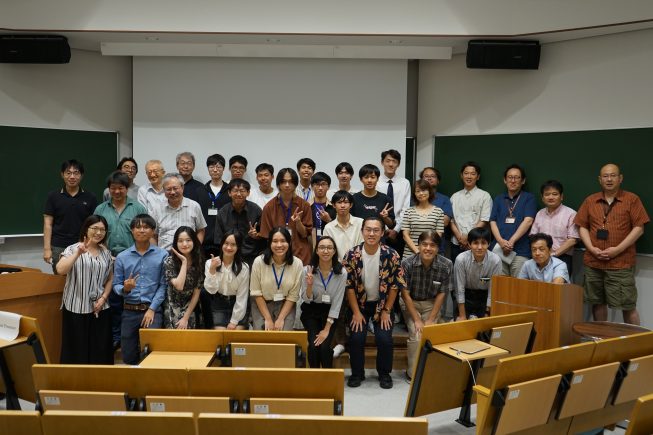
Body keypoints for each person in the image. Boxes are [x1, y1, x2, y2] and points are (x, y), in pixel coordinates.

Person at [575, 163, 649, 325]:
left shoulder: (632, 199)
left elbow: (639, 228)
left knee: (627, 306)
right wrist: (591, 248)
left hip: (620, 263)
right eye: (605, 176)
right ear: (600, 179)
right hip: (593, 262)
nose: (609, 179)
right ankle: (603, 337)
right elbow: (582, 226)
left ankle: (635, 339)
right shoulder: (590, 200)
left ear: (620, 178)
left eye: (613, 175)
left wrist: (617, 250)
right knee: (597, 302)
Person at [344, 216, 406, 389]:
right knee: (356, 338)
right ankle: (357, 373)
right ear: (362, 231)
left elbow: (395, 285)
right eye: (368, 229)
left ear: (382, 233)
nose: (371, 233)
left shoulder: (391, 254)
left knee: (384, 339)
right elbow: (349, 286)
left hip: (383, 304)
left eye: (376, 230)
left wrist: (387, 310)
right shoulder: (352, 255)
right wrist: (356, 313)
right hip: (359, 305)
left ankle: (384, 374)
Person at [94, 171, 147, 350]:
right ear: (108, 189)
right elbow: (94, 234)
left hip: (132, 260)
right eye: (113, 188)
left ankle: (133, 338)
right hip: (106, 260)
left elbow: (145, 233)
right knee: (112, 300)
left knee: (132, 298)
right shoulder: (101, 209)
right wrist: (105, 253)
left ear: (127, 188)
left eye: (121, 188)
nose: (117, 191)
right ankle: (115, 337)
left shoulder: (137, 208)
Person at [56, 215, 113, 364]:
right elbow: (60, 270)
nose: (99, 233)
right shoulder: (73, 248)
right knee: (76, 350)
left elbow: (110, 279)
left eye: (102, 230)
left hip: (99, 308)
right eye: (95, 228)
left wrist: (103, 298)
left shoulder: (106, 253)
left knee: (99, 350)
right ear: (86, 229)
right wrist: (77, 254)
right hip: (76, 307)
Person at [112, 214, 168, 365]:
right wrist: (125, 288)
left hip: (152, 311)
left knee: (151, 355)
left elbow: (163, 285)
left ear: (153, 231)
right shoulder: (122, 257)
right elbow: (116, 285)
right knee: (128, 355)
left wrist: (152, 309)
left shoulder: (162, 255)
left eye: (146, 227)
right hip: (129, 310)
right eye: (138, 227)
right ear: (132, 231)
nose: (142, 230)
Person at [400, 230, 452, 379]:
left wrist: (430, 319)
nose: (428, 248)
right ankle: (413, 375)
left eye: (432, 245)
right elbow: (405, 294)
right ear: (419, 245)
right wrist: (417, 320)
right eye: (424, 244)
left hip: (431, 303)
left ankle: (430, 372)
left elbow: (442, 294)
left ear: (438, 248)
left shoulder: (446, 265)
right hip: (411, 303)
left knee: (430, 332)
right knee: (417, 335)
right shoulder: (407, 263)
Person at [323, 190, 364, 358]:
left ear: (351, 205)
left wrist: (352, 268)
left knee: (357, 309)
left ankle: (355, 342)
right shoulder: (329, 227)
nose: (342, 205)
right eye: (339, 202)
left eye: (346, 202)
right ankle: (340, 342)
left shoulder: (361, 223)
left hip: (360, 272)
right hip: (337, 273)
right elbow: (327, 251)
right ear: (333, 205)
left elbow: (363, 248)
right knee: (337, 309)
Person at [44, 159, 98, 274]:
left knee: (81, 277)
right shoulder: (53, 196)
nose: (72, 176)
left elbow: (94, 225)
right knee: (60, 278)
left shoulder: (90, 197)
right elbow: (48, 224)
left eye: (76, 173)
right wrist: (47, 249)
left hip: (82, 245)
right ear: (62, 175)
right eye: (68, 173)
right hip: (58, 246)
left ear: (81, 175)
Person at [300, 236, 346, 368]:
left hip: (330, 313)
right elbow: (306, 299)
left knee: (325, 347)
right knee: (314, 346)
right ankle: (314, 376)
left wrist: (326, 330)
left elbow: (337, 302)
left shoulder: (341, 272)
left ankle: (327, 377)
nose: (325, 251)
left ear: (334, 251)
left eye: (329, 248)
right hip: (311, 311)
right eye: (322, 247)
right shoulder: (307, 270)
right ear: (316, 251)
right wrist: (309, 285)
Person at [249, 227, 303, 331]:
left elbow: (293, 295)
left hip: (285, 305)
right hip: (263, 305)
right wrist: (268, 319)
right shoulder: (259, 262)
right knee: (262, 335)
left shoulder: (297, 264)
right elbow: (256, 292)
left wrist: (281, 319)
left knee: (284, 336)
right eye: (275, 241)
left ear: (289, 243)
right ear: (269, 243)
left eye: (283, 241)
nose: (279, 245)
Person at [489, 164, 537, 277]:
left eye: (517, 177)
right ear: (505, 180)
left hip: (520, 251)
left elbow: (528, 221)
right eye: (510, 177)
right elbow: (492, 221)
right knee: (499, 284)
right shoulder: (498, 199)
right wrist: (501, 241)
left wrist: (511, 241)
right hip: (498, 250)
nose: (513, 180)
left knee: (519, 285)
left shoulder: (529, 198)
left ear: (523, 181)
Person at [260, 168, 313, 265]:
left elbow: (305, 234)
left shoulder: (304, 205)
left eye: (290, 182)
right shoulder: (269, 207)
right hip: (277, 258)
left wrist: (298, 222)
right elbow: (267, 237)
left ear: (295, 184)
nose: (287, 185)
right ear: (278, 184)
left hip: (301, 257)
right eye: (284, 182)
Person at [530, 180, 579, 276]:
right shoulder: (540, 213)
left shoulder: (571, 214)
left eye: (554, 194)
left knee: (558, 285)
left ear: (561, 196)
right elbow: (533, 237)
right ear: (542, 198)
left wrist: (553, 254)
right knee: (538, 285)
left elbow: (573, 240)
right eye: (547, 194)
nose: (551, 197)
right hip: (540, 257)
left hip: (562, 257)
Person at [204, 231, 250, 330]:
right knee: (221, 334)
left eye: (233, 244)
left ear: (238, 247)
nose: (229, 247)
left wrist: (234, 321)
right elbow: (211, 290)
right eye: (226, 243)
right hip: (219, 303)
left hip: (238, 305)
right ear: (221, 244)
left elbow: (242, 297)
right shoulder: (210, 263)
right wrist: (212, 269)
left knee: (236, 333)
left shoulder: (244, 267)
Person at [453, 227, 502, 320]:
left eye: (483, 243)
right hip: (466, 296)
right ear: (469, 244)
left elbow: (493, 290)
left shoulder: (496, 261)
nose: (479, 247)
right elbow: (459, 289)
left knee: (485, 325)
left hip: (484, 298)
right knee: (460, 323)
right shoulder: (461, 259)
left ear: (489, 244)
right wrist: (462, 316)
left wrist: (487, 313)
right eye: (475, 243)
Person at [214, 178, 265, 266]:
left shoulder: (256, 210)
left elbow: (264, 236)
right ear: (229, 193)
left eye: (242, 191)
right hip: (229, 256)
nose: (238, 194)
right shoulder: (223, 212)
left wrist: (256, 235)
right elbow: (219, 240)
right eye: (235, 191)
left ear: (248, 193)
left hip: (251, 256)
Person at [150, 173, 207, 250]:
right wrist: (156, 253)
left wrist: (196, 249)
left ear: (182, 187)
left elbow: (201, 230)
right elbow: (153, 235)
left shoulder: (194, 206)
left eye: (175, 188)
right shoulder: (157, 209)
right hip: (164, 253)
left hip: (188, 253)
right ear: (163, 190)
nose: (172, 192)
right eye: (168, 189)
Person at [449, 161, 492, 261]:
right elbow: (451, 220)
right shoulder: (454, 197)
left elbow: (484, 220)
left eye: (473, 174)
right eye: (466, 173)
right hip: (457, 243)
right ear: (461, 175)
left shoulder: (485, 196)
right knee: (457, 270)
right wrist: (459, 237)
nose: (469, 176)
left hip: (477, 244)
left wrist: (469, 237)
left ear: (478, 177)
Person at [163, 226, 204, 329]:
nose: (184, 244)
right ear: (176, 243)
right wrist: (184, 262)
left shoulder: (199, 261)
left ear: (194, 241)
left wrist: (185, 318)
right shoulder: (169, 261)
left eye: (188, 240)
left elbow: (196, 293)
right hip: (173, 304)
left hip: (191, 305)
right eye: (180, 241)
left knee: (190, 328)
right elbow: (179, 286)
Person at [193, 154, 231, 256]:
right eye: (211, 167)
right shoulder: (200, 191)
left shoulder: (230, 191)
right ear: (208, 169)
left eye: (218, 167)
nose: (215, 170)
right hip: (204, 240)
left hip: (225, 241)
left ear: (223, 169)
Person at [377, 149, 411, 258]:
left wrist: (396, 230)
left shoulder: (405, 183)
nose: (391, 164)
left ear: (398, 164)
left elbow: (406, 209)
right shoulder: (375, 182)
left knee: (397, 260)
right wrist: (386, 229)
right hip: (379, 229)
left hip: (399, 231)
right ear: (382, 162)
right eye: (388, 161)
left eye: (394, 161)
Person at [401, 179, 445, 258]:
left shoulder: (439, 212)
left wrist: (426, 251)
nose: (421, 193)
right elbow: (405, 235)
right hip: (410, 255)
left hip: (429, 253)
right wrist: (418, 251)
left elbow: (438, 236)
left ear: (429, 192)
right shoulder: (408, 211)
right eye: (417, 191)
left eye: (424, 190)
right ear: (414, 194)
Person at [351, 164, 395, 230]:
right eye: (366, 177)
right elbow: (350, 222)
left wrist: (385, 217)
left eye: (372, 177)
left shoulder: (385, 199)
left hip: (379, 235)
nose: (369, 180)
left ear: (377, 179)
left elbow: (391, 225)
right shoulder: (354, 198)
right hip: (359, 235)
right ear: (361, 179)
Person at [310, 171, 337, 245]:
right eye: (317, 184)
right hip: (311, 245)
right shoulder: (306, 206)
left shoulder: (334, 207)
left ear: (328, 186)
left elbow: (339, 230)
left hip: (330, 245)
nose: (320, 188)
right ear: (312, 186)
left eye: (323, 184)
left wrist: (329, 220)